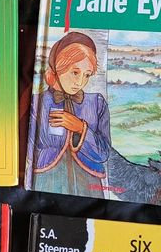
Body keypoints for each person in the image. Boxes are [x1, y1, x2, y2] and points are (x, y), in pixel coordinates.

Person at [27, 31, 110, 195]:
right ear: (59, 66)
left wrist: (81, 128)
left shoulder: (97, 103)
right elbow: (29, 152)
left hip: (89, 183)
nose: (80, 82)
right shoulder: (37, 103)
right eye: (75, 72)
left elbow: (104, 153)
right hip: (47, 180)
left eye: (87, 75)